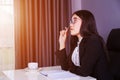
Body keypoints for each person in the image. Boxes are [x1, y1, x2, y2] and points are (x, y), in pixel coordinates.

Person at [56, 10, 113, 80]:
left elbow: (84, 72)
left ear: (86, 22)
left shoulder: (94, 41)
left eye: (75, 21)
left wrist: (70, 68)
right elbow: (65, 67)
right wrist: (62, 43)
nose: (70, 24)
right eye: (70, 21)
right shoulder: (76, 41)